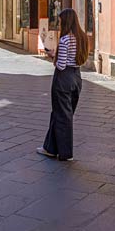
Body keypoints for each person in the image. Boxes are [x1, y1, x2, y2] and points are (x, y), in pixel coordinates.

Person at [37, 9, 88, 162]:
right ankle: (50, 148)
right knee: (62, 114)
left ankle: (65, 153)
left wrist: (53, 55)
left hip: (63, 79)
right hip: (76, 77)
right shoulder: (82, 38)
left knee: (62, 116)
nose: (59, 24)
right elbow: (78, 59)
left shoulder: (65, 39)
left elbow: (61, 65)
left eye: (60, 21)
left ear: (66, 22)